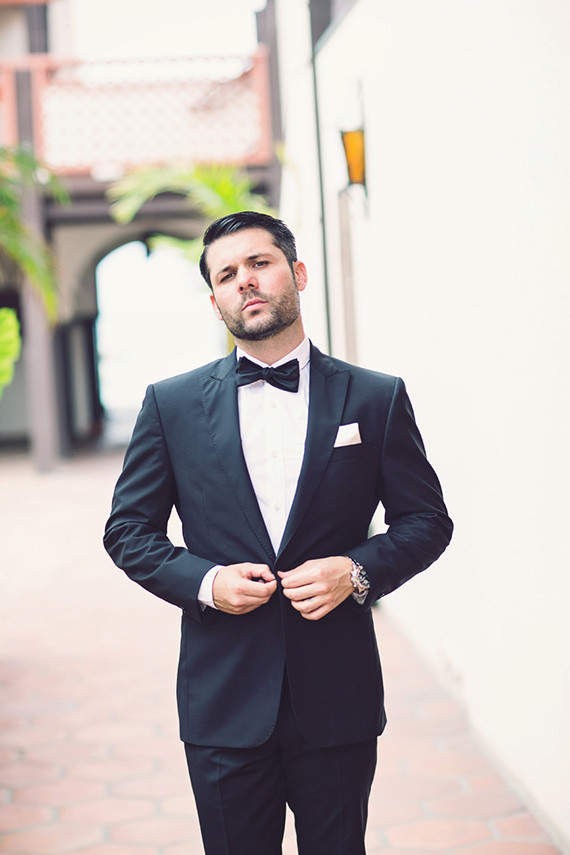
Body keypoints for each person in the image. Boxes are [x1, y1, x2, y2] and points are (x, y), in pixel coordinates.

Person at [104, 211, 453, 855]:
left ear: (297, 273)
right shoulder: (170, 405)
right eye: (226, 274)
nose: (245, 281)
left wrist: (356, 571)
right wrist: (206, 582)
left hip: (337, 694)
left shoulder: (375, 397)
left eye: (259, 263)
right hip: (224, 698)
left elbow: (427, 520)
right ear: (215, 302)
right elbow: (128, 530)